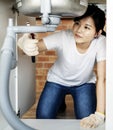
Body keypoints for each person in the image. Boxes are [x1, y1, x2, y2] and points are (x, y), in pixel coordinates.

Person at [17, 4, 106, 128]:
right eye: (77, 23)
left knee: (87, 120)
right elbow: (33, 47)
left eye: (87, 27)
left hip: (84, 84)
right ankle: (60, 101)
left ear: (97, 33)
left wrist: (100, 114)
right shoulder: (64, 36)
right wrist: (24, 43)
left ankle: (60, 100)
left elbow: (102, 79)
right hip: (57, 82)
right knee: (43, 119)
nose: (79, 30)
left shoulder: (101, 42)